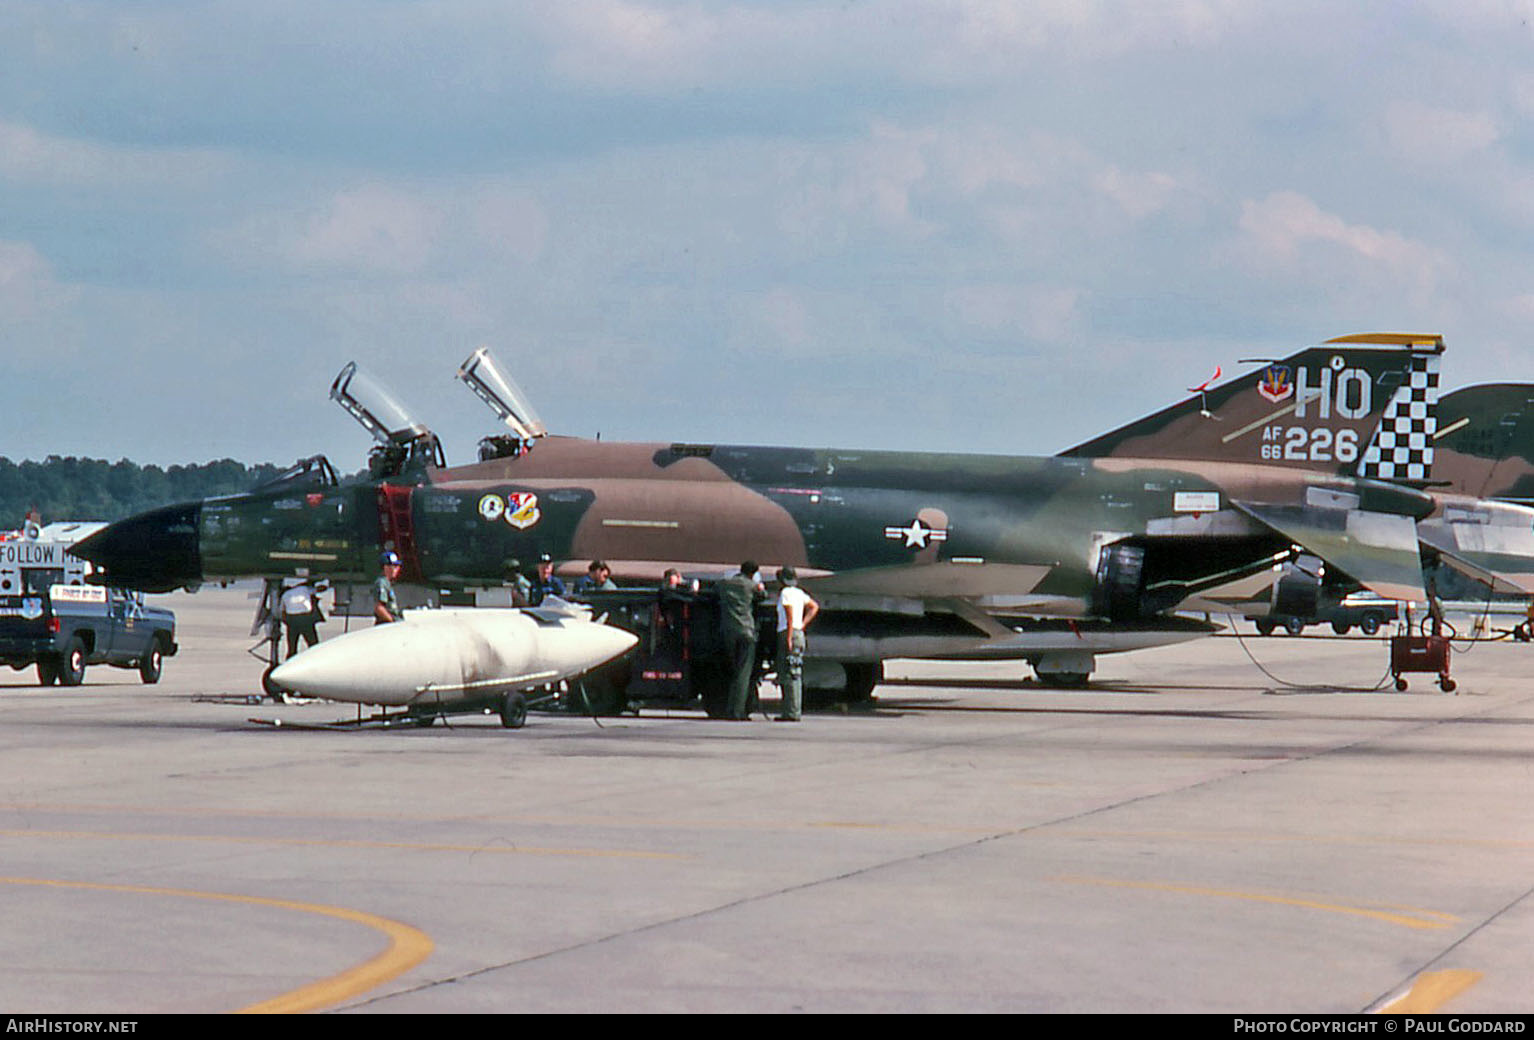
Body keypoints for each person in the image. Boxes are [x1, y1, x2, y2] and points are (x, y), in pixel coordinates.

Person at [717, 560, 765, 720]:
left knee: (732, 670)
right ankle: (737, 712)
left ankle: (729, 708)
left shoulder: (724, 583)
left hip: (727, 632)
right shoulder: (751, 585)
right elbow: (762, 597)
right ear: (753, 573)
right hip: (746, 631)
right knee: (743, 673)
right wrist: (760, 587)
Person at [774, 565, 819, 722]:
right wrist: (803, 624)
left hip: (789, 632)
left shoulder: (785, 593)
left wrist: (789, 636)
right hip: (798, 633)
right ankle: (794, 710)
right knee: (795, 674)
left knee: (787, 674)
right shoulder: (800, 593)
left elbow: (789, 616)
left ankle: (790, 712)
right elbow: (814, 607)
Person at [279, 578, 325, 657]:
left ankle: (290, 662)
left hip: (292, 621)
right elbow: (320, 589)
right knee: (313, 645)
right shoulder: (304, 589)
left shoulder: (285, 595)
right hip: (305, 619)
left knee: (292, 647)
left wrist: (287, 622)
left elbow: (282, 611)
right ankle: (315, 659)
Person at [374, 551, 403, 624]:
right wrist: (392, 621)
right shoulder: (382, 583)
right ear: (385, 567)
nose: (397, 569)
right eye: (394, 566)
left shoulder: (388, 583)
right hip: (385, 623)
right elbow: (379, 608)